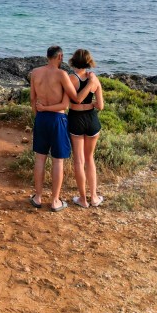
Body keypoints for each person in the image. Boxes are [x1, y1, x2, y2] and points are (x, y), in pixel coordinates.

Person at [29, 46, 94, 212]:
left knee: (40, 158)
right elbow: (74, 99)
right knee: (58, 160)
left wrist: (39, 113)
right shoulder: (61, 74)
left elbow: (32, 99)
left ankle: (37, 197)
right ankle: (55, 200)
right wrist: (91, 83)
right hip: (58, 119)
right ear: (60, 56)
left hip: (41, 119)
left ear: (47, 56)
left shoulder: (35, 73)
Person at [67, 48, 105, 208]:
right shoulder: (94, 80)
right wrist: (92, 101)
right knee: (90, 159)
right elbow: (101, 106)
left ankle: (83, 199)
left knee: (79, 160)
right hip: (92, 119)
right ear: (89, 62)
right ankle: (94, 197)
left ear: (74, 61)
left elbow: (72, 101)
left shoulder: (71, 78)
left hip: (76, 119)